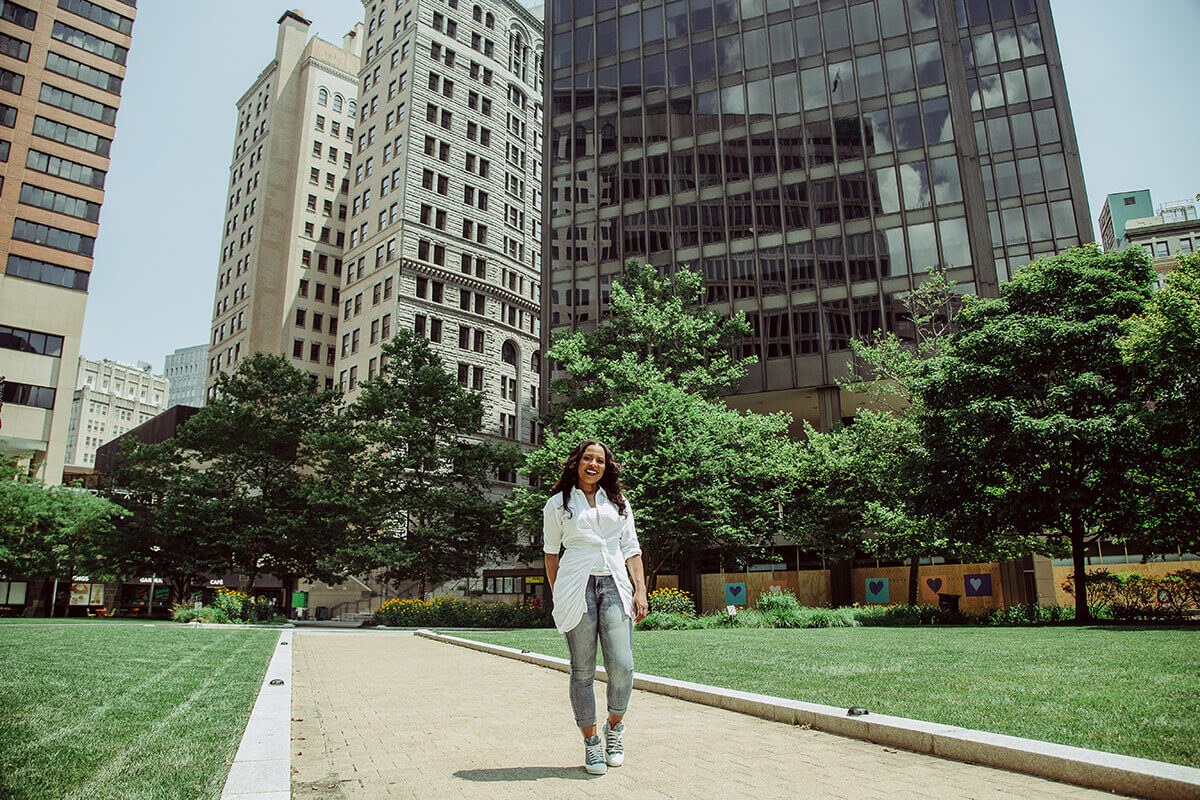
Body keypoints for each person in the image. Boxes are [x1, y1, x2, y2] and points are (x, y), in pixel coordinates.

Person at [543, 440, 649, 775]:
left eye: (599, 460)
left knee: (622, 665)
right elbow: (550, 553)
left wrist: (641, 589)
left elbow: (631, 549)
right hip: (577, 587)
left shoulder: (618, 502)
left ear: (606, 466)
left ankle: (614, 728)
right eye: (588, 458)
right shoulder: (557, 504)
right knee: (583, 670)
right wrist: (558, 592)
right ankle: (591, 743)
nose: (593, 464)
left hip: (615, 585)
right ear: (576, 462)